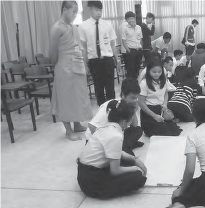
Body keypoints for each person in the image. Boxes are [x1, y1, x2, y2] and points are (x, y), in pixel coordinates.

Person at [77, 100, 147, 199]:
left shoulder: (105, 126)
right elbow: (115, 170)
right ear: (124, 121)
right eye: (131, 118)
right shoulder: (115, 135)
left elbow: (116, 152)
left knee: (128, 162)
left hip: (84, 173)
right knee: (137, 177)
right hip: (92, 181)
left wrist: (134, 159)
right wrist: (135, 168)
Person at [50, 0, 92, 141]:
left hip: (77, 65)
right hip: (63, 67)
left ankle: (77, 124)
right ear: (64, 10)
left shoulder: (73, 27)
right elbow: (52, 53)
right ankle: (68, 131)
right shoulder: (57, 28)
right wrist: (61, 65)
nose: (75, 15)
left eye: (76, 12)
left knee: (77, 96)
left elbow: (79, 46)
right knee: (65, 98)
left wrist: (83, 64)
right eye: (73, 11)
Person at [85, 78, 144, 155]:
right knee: (127, 160)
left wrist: (134, 111)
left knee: (138, 130)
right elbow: (91, 125)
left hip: (115, 135)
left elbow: (134, 125)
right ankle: (125, 147)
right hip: (98, 139)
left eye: (137, 97)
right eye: (133, 97)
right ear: (123, 95)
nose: (135, 100)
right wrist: (106, 145)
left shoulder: (129, 105)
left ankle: (124, 147)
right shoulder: (111, 105)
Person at [78, 0, 119, 106]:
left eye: (100, 10)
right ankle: (101, 110)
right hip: (94, 61)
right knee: (98, 87)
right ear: (90, 9)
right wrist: (85, 64)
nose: (99, 13)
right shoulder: (83, 26)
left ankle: (112, 109)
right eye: (96, 10)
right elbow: (84, 48)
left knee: (110, 87)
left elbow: (112, 45)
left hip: (108, 60)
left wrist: (117, 60)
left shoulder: (107, 25)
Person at [138, 59, 182, 137]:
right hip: (149, 111)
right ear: (148, 71)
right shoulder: (144, 83)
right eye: (154, 72)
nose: (157, 74)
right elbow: (141, 103)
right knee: (167, 132)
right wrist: (154, 116)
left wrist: (165, 104)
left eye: (159, 71)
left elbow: (165, 93)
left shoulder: (163, 80)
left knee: (175, 130)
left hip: (160, 109)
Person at [122, 11, 143, 79]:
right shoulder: (125, 28)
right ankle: (131, 85)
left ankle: (136, 83)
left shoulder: (139, 27)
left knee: (137, 68)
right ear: (126, 20)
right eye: (128, 19)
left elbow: (141, 39)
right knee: (131, 70)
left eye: (132, 18)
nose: (130, 20)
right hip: (131, 51)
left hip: (139, 50)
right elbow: (123, 41)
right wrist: (128, 50)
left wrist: (141, 48)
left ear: (134, 18)